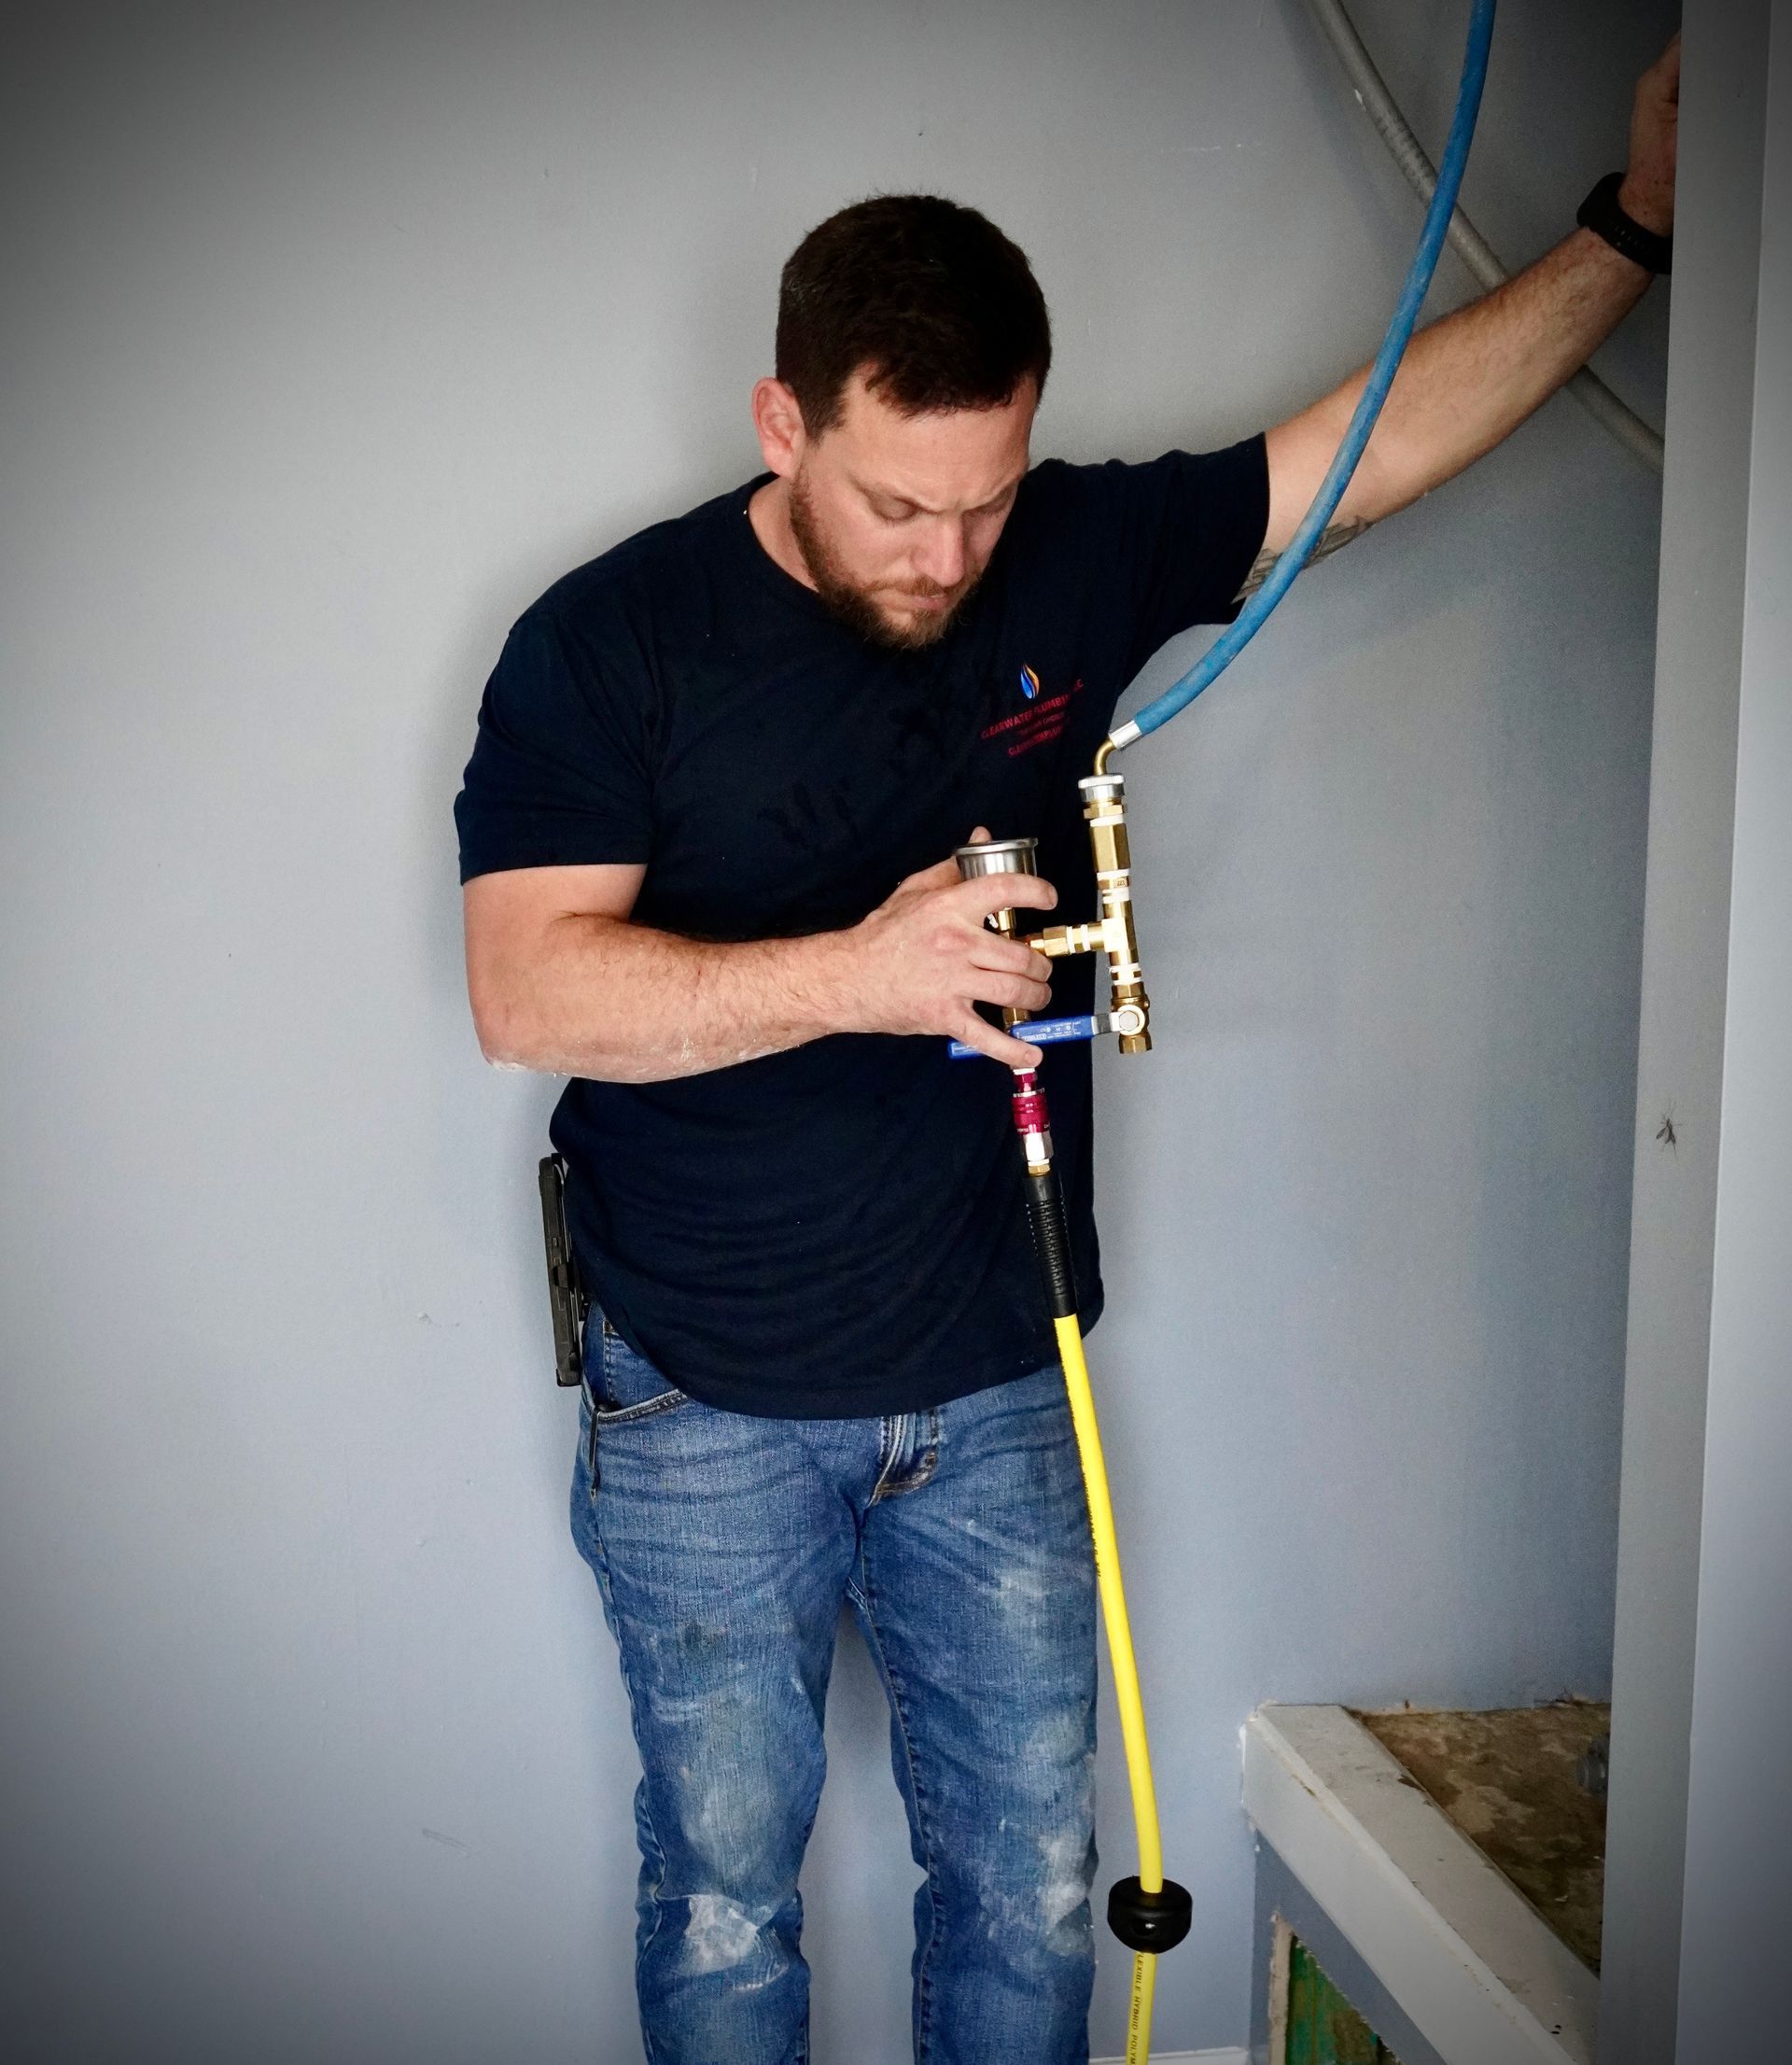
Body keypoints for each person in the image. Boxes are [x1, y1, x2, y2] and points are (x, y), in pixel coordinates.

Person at [454, 38, 1678, 2064]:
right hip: (706, 1409)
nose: (946, 555)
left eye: (986, 497)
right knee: (729, 1894)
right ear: (785, 421)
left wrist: (1635, 223)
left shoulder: (1063, 557)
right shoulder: (610, 642)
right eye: (894, 503)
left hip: (1003, 1387)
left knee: (1032, 1876)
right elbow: (530, 992)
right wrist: (861, 969)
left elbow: (1355, 453)